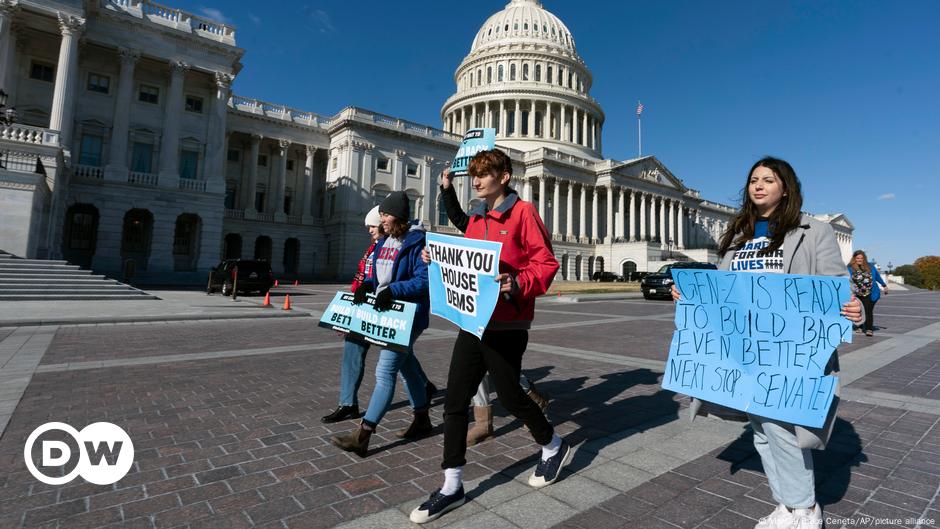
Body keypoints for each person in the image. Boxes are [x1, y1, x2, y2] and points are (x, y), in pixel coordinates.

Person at [672, 157, 863, 529]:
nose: (758, 186)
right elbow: (724, 288)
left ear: (786, 188)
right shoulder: (739, 232)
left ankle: (805, 507)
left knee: (781, 428)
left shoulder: (813, 231)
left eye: (769, 180)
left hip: (789, 347)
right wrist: (691, 295)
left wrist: (854, 308)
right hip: (744, 346)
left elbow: (836, 283)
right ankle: (786, 505)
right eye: (754, 180)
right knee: (760, 428)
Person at [410, 150, 566, 524]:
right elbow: (466, 257)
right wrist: (438, 260)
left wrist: (517, 282)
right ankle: (451, 485)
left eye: (484, 175)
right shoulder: (476, 219)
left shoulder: (523, 213)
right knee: (455, 400)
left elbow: (546, 263)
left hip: (507, 324)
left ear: (505, 176)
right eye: (474, 175)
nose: (476, 181)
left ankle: (553, 444)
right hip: (472, 322)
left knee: (511, 397)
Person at [330, 192, 434, 456]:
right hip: (387, 314)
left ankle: (363, 434)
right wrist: (369, 286)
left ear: (397, 216)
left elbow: (423, 282)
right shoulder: (384, 242)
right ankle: (422, 419)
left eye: (385, 215)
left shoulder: (417, 242)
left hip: (408, 317)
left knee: (385, 372)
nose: (381, 219)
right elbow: (379, 276)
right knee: (408, 368)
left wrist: (394, 290)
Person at [848, 250, 888, 337]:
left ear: (864, 258)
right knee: (858, 310)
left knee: (868, 310)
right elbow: (845, 277)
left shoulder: (870, 266)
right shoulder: (850, 267)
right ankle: (859, 325)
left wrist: (884, 285)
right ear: (854, 258)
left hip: (870, 292)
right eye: (858, 258)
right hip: (857, 293)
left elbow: (877, 276)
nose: (859, 260)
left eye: (861, 258)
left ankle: (869, 329)